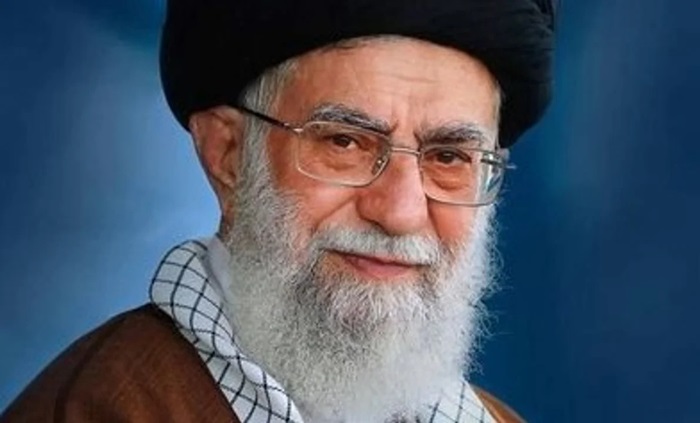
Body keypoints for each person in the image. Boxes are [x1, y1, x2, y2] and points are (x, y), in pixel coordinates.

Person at [1, 0, 556, 422]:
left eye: (449, 157)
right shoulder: (97, 409)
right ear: (228, 155)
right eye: (344, 142)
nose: (401, 211)